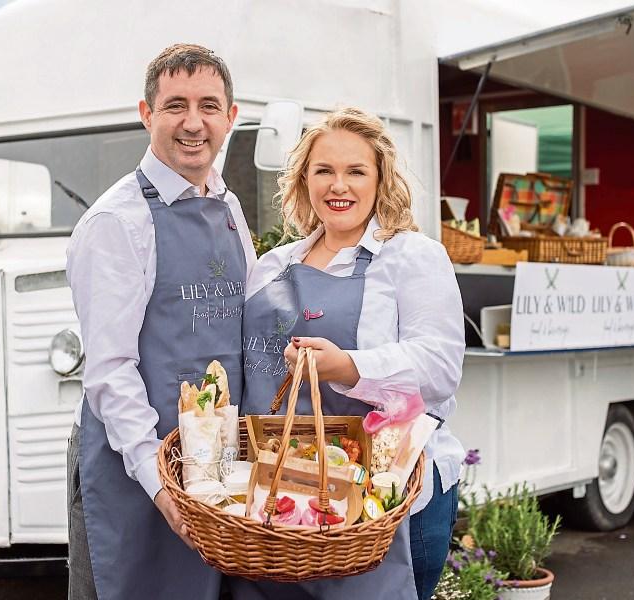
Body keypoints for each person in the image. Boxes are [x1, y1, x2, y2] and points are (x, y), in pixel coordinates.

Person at [231, 107, 465, 600]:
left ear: (380, 179)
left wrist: (349, 367)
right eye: (324, 171)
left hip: (384, 500)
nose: (339, 186)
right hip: (278, 497)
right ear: (303, 180)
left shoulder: (411, 257)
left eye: (356, 171)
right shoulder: (272, 266)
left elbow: (440, 367)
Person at [66, 44, 256, 600]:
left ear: (231, 117)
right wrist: (159, 481)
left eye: (208, 106)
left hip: (215, 472)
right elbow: (109, 372)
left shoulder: (229, 208)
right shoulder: (116, 223)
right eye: (175, 105)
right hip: (137, 471)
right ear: (147, 114)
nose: (193, 123)